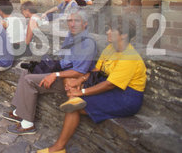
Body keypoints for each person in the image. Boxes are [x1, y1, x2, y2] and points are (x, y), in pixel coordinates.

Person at [36, 19, 146, 153]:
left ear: (123, 35)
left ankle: (58, 148)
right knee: (70, 79)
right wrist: (79, 80)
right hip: (108, 84)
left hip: (126, 96)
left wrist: (81, 92)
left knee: (74, 107)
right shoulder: (111, 48)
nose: (107, 32)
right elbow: (95, 72)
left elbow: (109, 85)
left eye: (112, 30)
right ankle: (73, 98)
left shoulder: (129, 57)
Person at [3, 11, 97, 135]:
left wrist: (55, 74)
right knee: (27, 70)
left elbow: (79, 71)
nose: (72, 24)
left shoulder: (87, 43)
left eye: (77, 21)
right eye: (70, 21)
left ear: (85, 24)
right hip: (60, 69)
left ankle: (27, 125)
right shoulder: (72, 35)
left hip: (71, 79)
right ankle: (19, 111)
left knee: (29, 80)